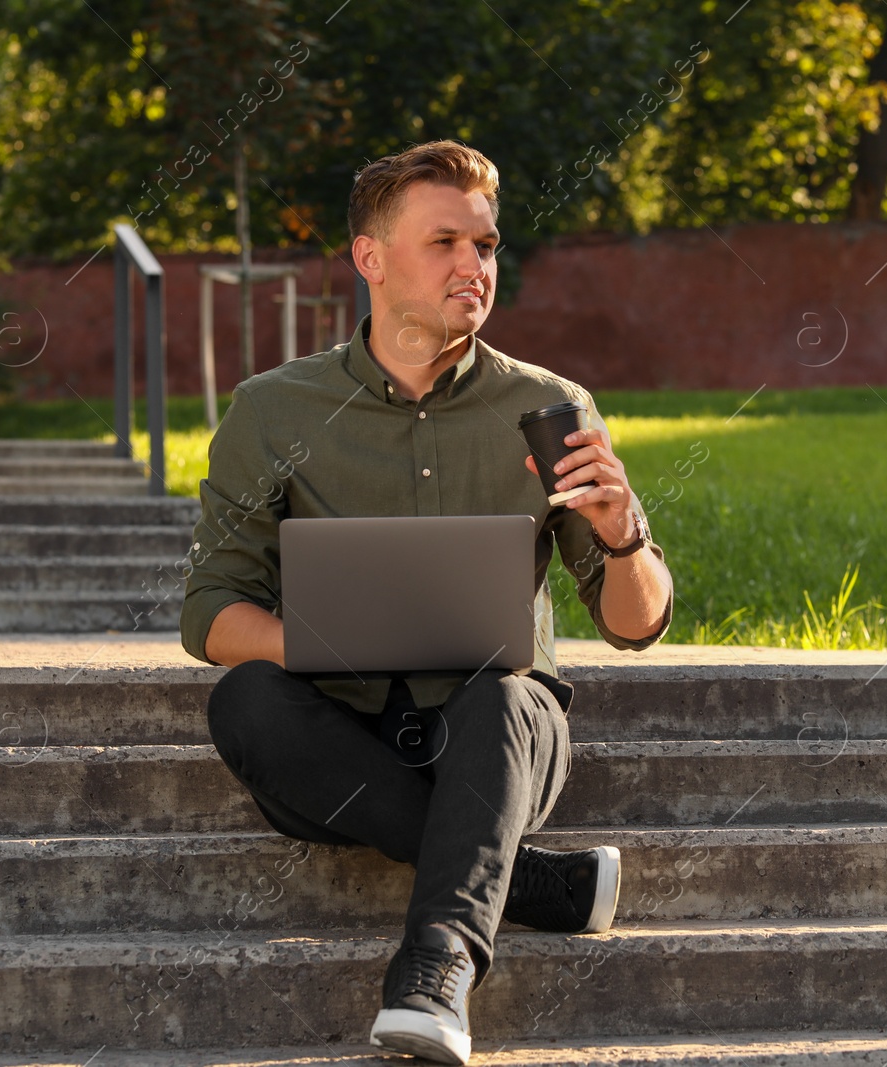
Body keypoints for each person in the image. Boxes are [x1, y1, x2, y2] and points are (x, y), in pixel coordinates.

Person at [179, 139, 674, 1065]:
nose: (472, 266)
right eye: (444, 241)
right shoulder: (271, 410)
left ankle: (436, 967)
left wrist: (621, 530)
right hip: (341, 733)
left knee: (506, 692)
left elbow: (634, 623)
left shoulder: (552, 406)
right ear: (370, 258)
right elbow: (210, 613)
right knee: (243, 696)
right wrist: (329, 645)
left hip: (498, 737)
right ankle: (523, 881)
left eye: (484, 246)